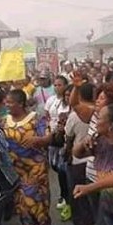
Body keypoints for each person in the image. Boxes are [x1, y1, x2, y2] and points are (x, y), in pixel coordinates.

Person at [4, 89, 53, 225]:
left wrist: (37, 139)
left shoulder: (35, 119)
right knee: (21, 205)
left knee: (37, 200)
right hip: (16, 170)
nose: (7, 104)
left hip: (35, 168)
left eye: (10, 102)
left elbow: (48, 138)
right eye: (6, 102)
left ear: (20, 104)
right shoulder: (5, 120)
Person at [64, 82, 98, 225]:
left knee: (82, 201)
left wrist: (66, 150)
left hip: (79, 162)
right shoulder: (99, 113)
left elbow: (68, 136)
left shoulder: (79, 114)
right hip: (97, 163)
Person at [44, 76, 71, 213]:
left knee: (62, 169)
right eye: (55, 84)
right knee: (54, 164)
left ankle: (65, 195)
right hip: (52, 138)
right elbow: (47, 116)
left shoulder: (69, 101)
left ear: (66, 85)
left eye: (60, 84)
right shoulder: (50, 100)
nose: (57, 87)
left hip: (65, 139)